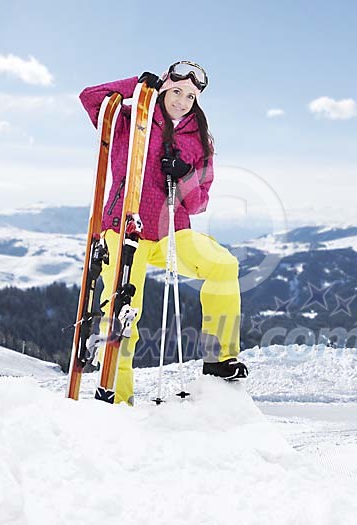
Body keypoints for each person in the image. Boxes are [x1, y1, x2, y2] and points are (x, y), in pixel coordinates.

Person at [79, 61, 248, 405]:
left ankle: (218, 359)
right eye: (177, 91)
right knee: (125, 310)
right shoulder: (129, 120)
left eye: (191, 96)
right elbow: (90, 98)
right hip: (124, 227)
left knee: (223, 266)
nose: (183, 101)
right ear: (164, 87)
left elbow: (199, 202)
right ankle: (117, 396)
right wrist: (137, 86)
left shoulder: (198, 139)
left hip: (172, 230)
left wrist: (185, 174)